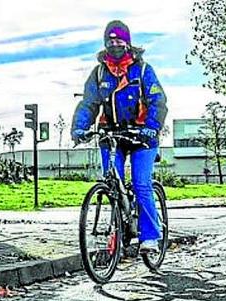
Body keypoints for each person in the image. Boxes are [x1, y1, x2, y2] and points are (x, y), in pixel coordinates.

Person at [71, 20, 167, 254]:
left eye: (119, 40)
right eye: (110, 40)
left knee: (141, 183)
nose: (115, 44)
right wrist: (80, 129)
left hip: (142, 137)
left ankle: (150, 237)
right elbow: (89, 103)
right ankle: (119, 228)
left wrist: (152, 127)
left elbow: (158, 101)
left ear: (128, 43)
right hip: (112, 134)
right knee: (111, 180)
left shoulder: (143, 70)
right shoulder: (99, 72)